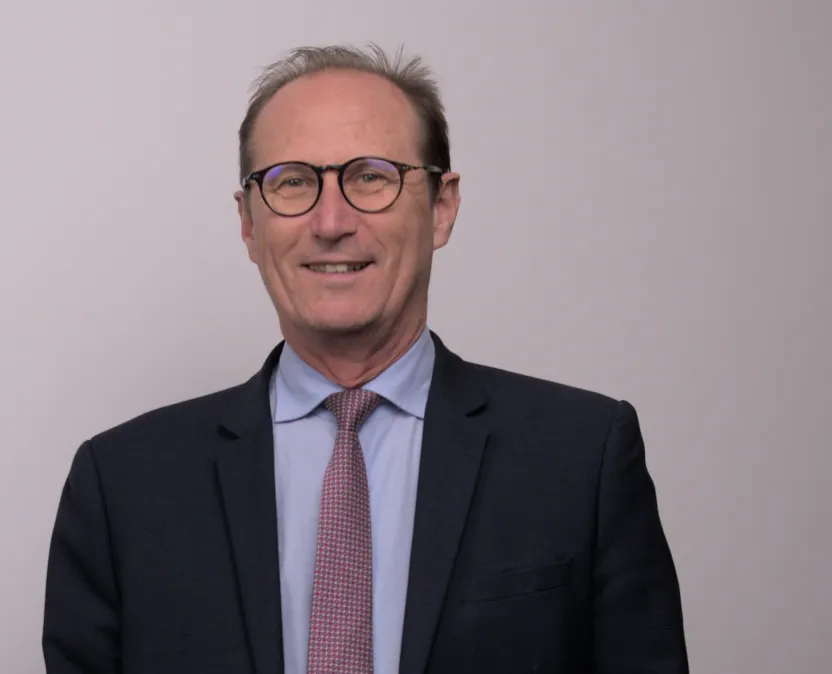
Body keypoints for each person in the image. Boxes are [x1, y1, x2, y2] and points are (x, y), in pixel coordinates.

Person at [42, 44, 688, 674]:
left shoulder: (581, 459)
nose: (331, 222)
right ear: (248, 223)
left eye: (371, 177)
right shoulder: (122, 486)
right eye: (293, 182)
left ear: (442, 207)